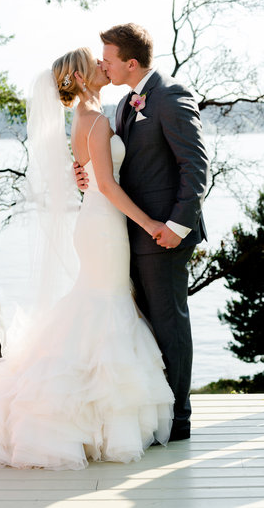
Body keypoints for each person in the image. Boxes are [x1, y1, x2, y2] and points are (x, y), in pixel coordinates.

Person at [0, 48, 174, 471]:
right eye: (95, 64)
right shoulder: (96, 120)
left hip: (96, 222)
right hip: (103, 226)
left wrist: (86, 180)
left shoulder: (88, 118)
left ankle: (94, 416)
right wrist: (151, 222)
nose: (104, 66)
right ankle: (88, 420)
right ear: (81, 78)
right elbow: (105, 184)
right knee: (105, 307)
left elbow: (88, 175)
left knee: (97, 306)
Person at [74, 24, 209, 441]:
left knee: (169, 323)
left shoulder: (170, 96)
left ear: (130, 63)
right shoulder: (121, 105)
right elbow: (116, 167)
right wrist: (86, 177)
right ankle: (154, 417)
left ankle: (179, 420)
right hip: (128, 233)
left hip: (163, 233)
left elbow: (196, 167)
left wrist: (177, 226)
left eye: (108, 59)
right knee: (145, 326)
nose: (102, 65)